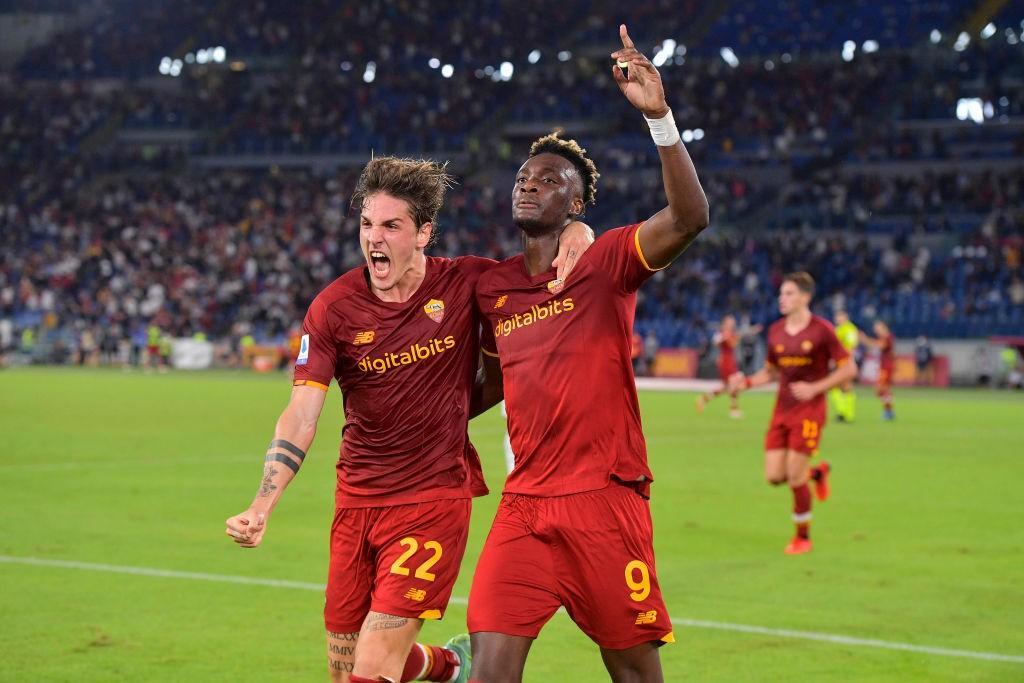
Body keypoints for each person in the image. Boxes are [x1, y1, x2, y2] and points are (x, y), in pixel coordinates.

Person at [225, 156, 592, 683]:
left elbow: (539, 267)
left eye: (391, 226)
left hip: (432, 500)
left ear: (423, 233)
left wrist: (578, 228)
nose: (375, 238)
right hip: (357, 503)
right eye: (367, 225)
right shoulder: (333, 309)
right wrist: (263, 503)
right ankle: (451, 666)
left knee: (371, 670)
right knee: (346, 667)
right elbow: (302, 413)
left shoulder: (467, 283)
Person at [469, 25, 710, 682]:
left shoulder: (604, 262)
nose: (529, 183)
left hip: (604, 499)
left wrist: (659, 118)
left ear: (576, 202)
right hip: (523, 504)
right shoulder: (495, 287)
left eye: (548, 179)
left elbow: (689, 219)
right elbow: (491, 383)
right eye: (524, 175)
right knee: (489, 668)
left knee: (633, 670)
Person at [729, 273, 857, 555]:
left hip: (809, 412)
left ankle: (803, 537)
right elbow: (771, 372)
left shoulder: (822, 330)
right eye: (781, 294)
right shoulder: (775, 331)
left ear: (805, 297)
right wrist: (747, 382)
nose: (782, 299)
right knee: (775, 476)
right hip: (781, 410)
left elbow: (849, 369)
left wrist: (816, 389)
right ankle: (818, 473)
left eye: (788, 294)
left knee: (795, 476)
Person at [696, 315, 761, 418]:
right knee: (734, 384)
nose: (733, 323)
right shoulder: (722, 333)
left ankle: (705, 398)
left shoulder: (731, 333)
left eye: (733, 321)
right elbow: (716, 341)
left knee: (727, 387)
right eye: (731, 321)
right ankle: (733, 409)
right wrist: (724, 338)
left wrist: (752, 330)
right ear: (725, 323)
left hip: (730, 361)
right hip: (726, 363)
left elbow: (737, 338)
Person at [828, 310, 860, 422]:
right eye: (837, 316)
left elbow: (851, 347)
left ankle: (847, 414)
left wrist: (847, 362)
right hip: (838, 361)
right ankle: (843, 412)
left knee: (845, 386)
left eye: (840, 316)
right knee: (836, 386)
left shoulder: (850, 329)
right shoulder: (838, 329)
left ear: (846, 316)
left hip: (845, 361)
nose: (838, 318)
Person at [861, 321, 895, 420]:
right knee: (883, 390)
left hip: (887, 367)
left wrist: (866, 340)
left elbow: (880, 345)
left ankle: (888, 411)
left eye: (877, 327)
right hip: (884, 365)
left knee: (880, 389)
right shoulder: (884, 338)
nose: (875, 330)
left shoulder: (887, 337)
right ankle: (888, 411)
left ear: (884, 327)